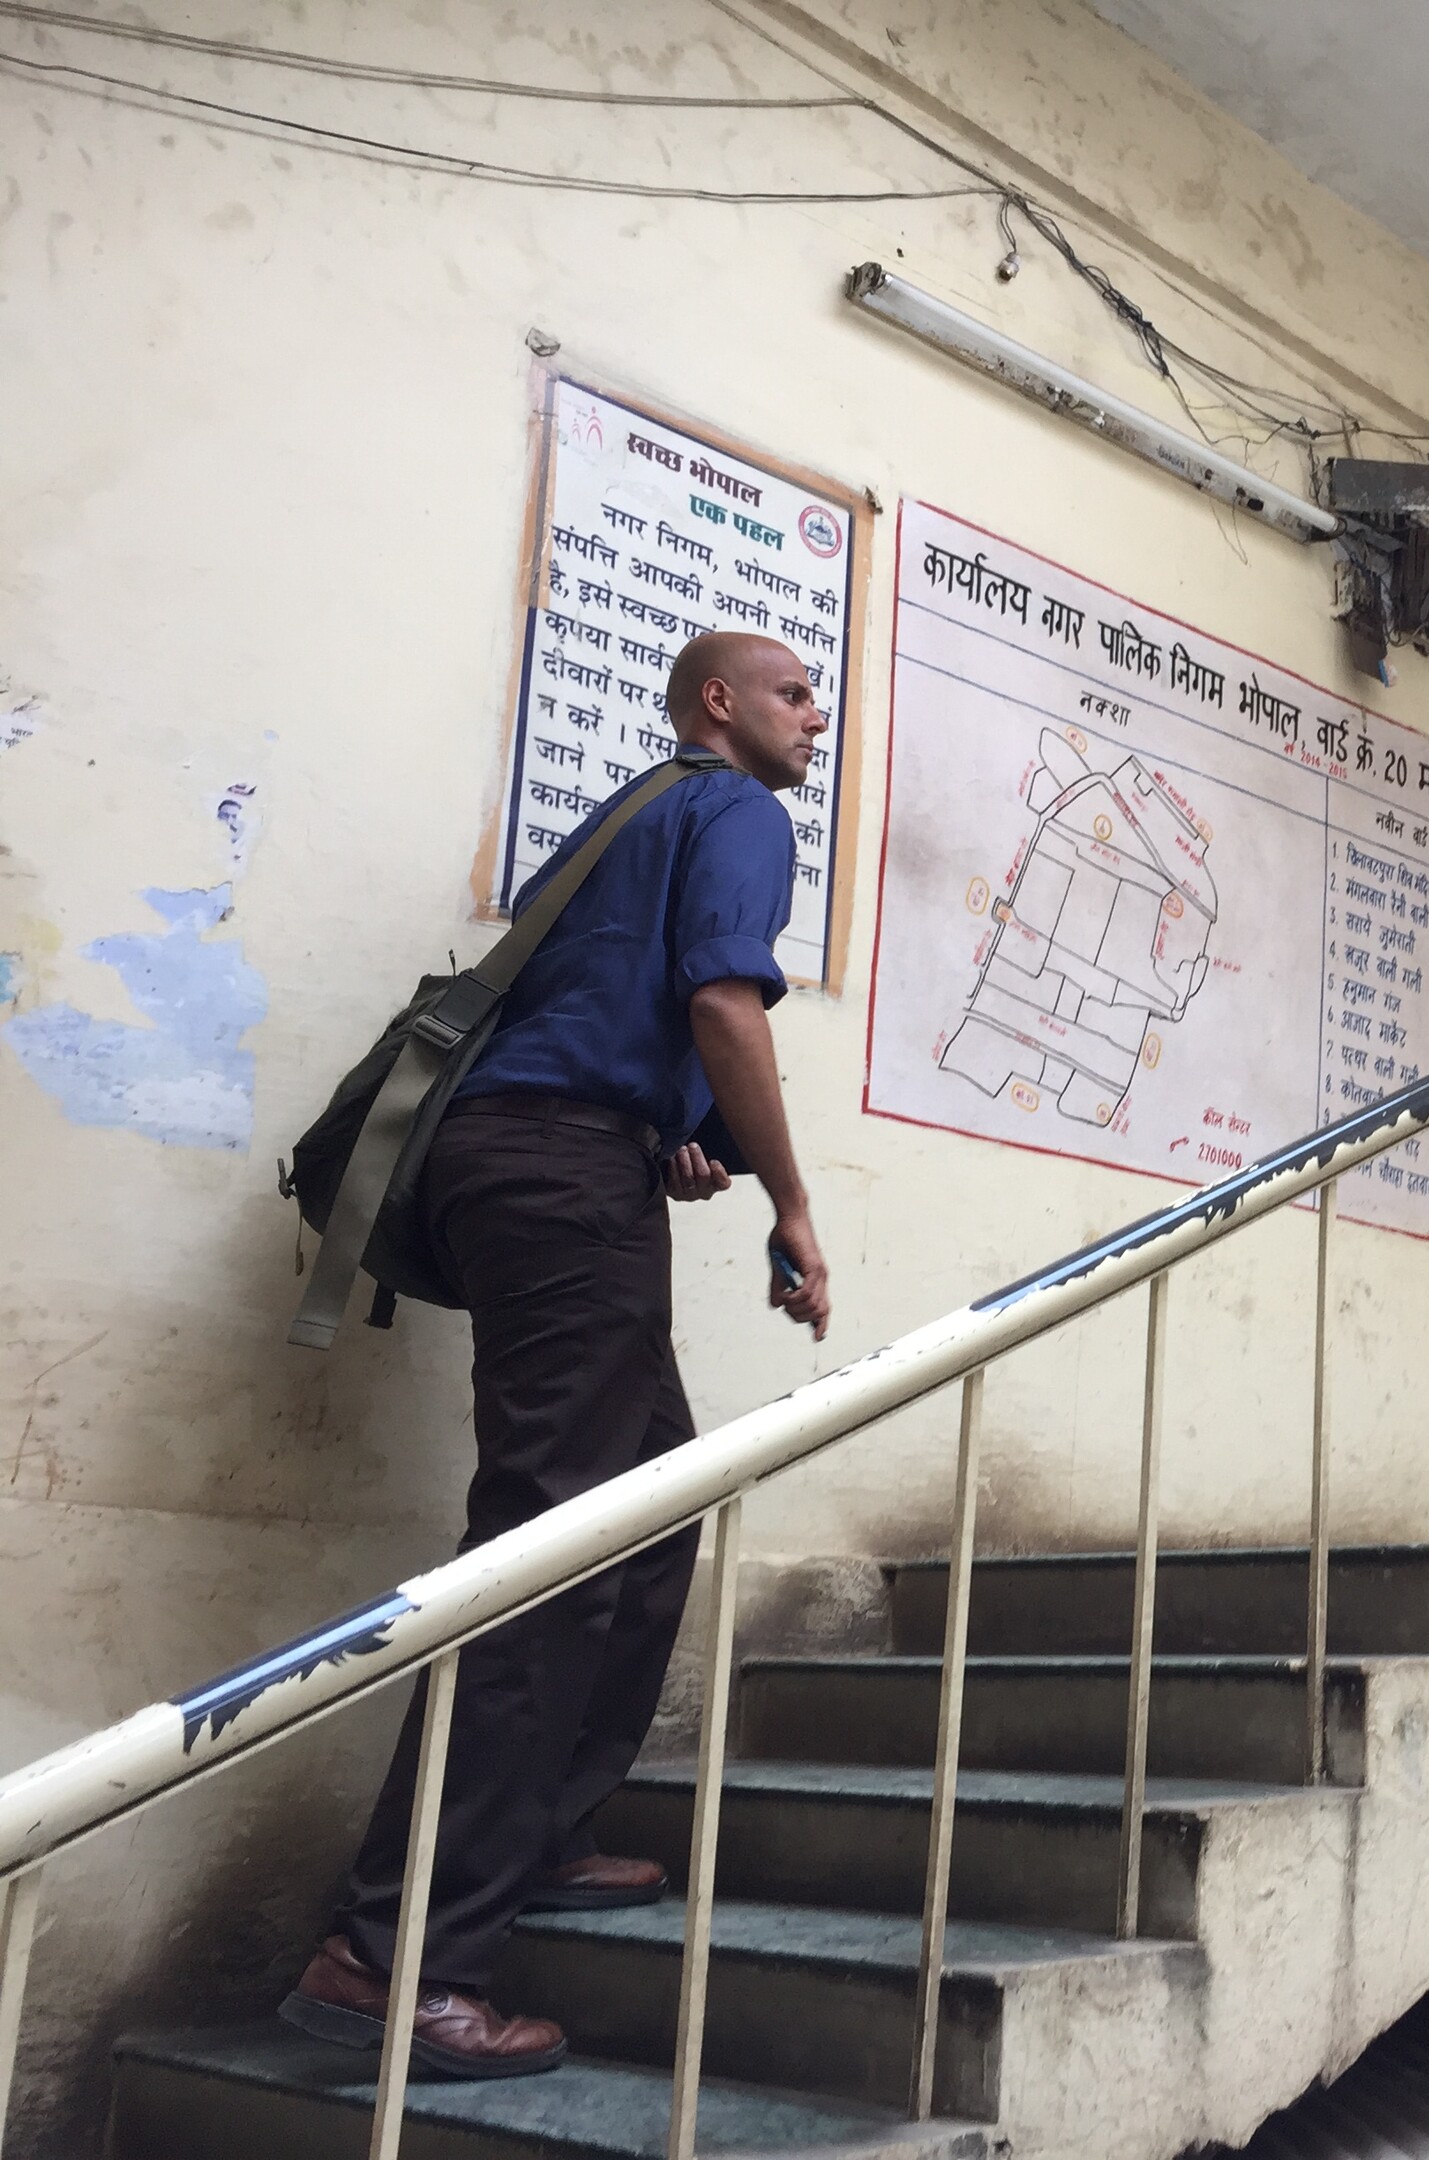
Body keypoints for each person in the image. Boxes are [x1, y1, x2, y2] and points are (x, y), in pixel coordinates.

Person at [279, 632, 835, 2078]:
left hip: (524, 1165)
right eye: (793, 694)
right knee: (549, 1544)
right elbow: (723, 1006)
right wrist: (791, 1200)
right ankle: (394, 1956)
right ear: (719, 703)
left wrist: (669, 1139)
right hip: (553, 1172)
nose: (814, 719)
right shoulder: (734, 811)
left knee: (649, 1509)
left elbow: (594, 1030)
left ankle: (533, 1840)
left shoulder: (620, 823)